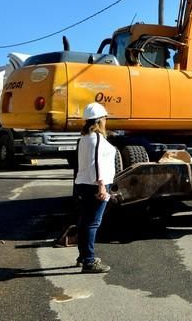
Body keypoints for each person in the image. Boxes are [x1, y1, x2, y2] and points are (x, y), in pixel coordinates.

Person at [74, 102, 117, 273]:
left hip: (83, 184)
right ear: (99, 120)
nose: (106, 121)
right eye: (105, 118)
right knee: (92, 223)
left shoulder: (84, 138)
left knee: (85, 221)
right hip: (95, 185)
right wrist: (101, 186)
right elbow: (97, 163)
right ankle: (89, 261)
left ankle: (84, 256)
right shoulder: (97, 138)